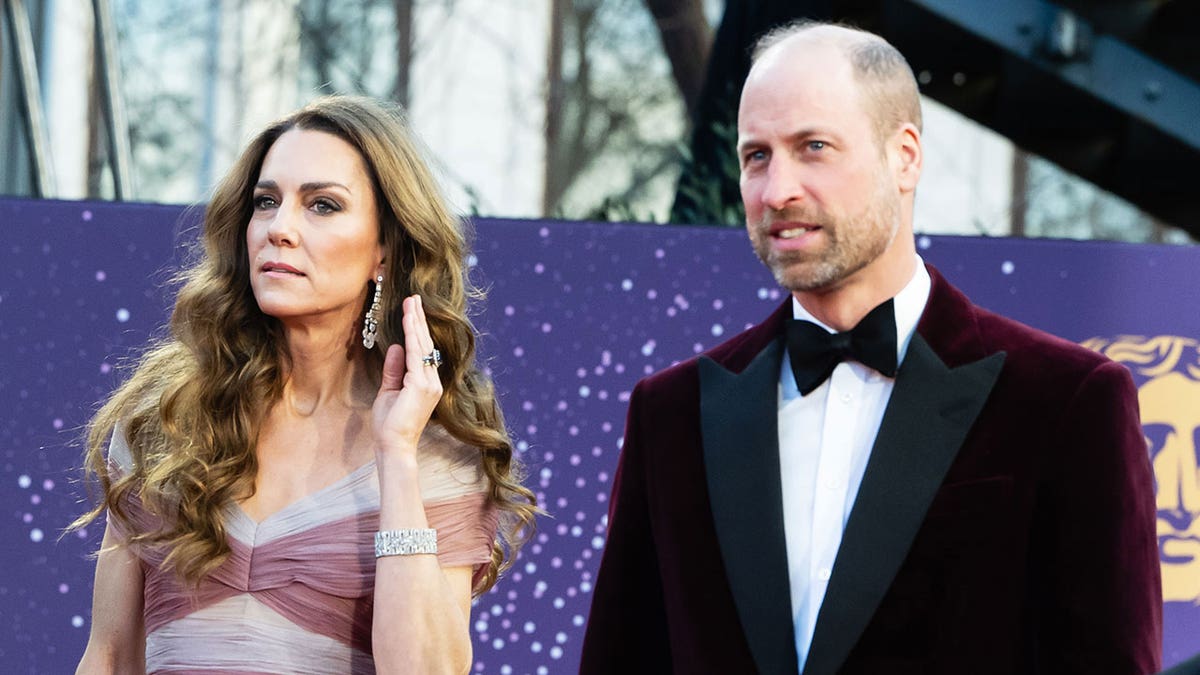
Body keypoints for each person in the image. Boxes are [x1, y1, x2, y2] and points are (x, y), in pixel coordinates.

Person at [581, 20, 1161, 675]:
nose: (778, 191)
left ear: (905, 155)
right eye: (757, 156)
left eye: (814, 147)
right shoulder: (672, 413)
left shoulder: (1065, 400)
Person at [72, 95, 537, 674]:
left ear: (384, 251)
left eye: (321, 205)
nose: (279, 229)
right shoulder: (164, 421)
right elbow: (111, 656)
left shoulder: (435, 448)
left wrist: (396, 454)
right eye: (266, 202)